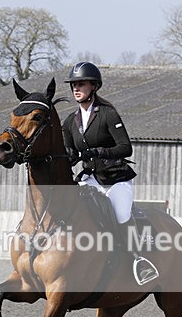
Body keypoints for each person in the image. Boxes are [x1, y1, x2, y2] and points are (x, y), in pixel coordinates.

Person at [61, 61, 157, 284]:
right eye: (74, 84)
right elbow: (69, 153)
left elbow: (125, 147)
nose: (76, 88)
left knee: (121, 214)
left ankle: (138, 261)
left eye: (81, 84)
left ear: (93, 86)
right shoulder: (70, 121)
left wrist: (97, 151)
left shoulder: (107, 114)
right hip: (91, 179)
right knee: (74, 212)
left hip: (115, 180)